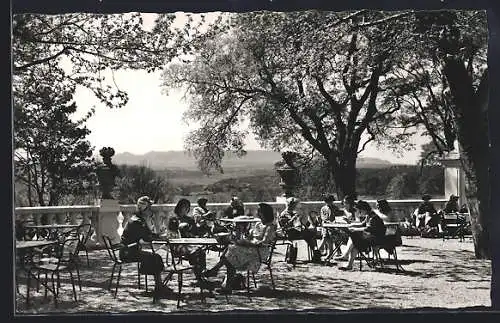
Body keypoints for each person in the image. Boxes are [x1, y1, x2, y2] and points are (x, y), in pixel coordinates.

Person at [203, 203, 277, 294]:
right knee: (231, 250)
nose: (257, 213)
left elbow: (263, 243)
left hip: (259, 251)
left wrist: (247, 243)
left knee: (231, 252)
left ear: (264, 213)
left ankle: (216, 272)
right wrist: (243, 239)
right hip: (251, 249)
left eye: (259, 211)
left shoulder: (270, 227)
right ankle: (224, 283)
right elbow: (250, 236)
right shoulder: (258, 223)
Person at [119, 196, 170, 297]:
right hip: (128, 252)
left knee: (154, 257)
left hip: (131, 250)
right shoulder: (137, 222)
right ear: (144, 209)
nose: (151, 210)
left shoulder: (139, 220)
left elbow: (148, 235)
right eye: (149, 207)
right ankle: (159, 286)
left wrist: (160, 236)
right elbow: (147, 238)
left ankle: (159, 285)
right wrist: (160, 237)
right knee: (155, 257)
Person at [163, 216, 214, 290]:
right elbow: (170, 245)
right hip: (178, 250)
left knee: (200, 251)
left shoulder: (178, 231)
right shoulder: (169, 233)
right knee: (195, 253)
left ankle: (201, 273)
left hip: (182, 248)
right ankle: (199, 275)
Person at [334, 200, 387, 270]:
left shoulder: (373, 217)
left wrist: (355, 229)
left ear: (363, 209)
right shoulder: (369, 215)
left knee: (354, 236)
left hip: (377, 239)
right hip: (372, 237)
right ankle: (349, 264)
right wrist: (352, 225)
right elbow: (362, 224)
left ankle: (346, 256)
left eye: (360, 211)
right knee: (355, 243)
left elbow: (368, 228)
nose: (359, 213)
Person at [278, 197, 322, 263]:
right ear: (289, 205)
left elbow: (304, 224)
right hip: (289, 232)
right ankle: (316, 253)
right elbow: (285, 226)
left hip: (298, 231)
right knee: (308, 234)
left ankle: (315, 252)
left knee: (311, 234)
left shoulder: (295, 213)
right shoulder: (284, 214)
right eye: (293, 205)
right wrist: (294, 218)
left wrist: (304, 219)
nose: (294, 206)